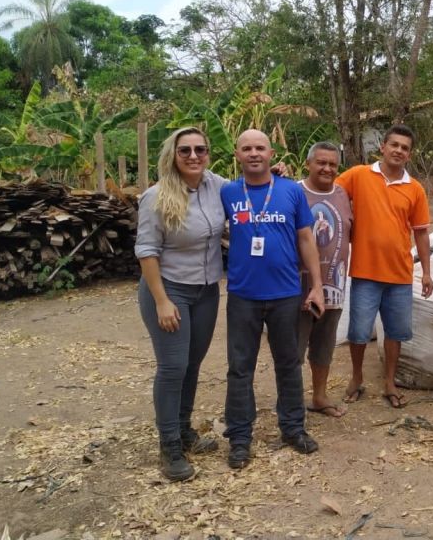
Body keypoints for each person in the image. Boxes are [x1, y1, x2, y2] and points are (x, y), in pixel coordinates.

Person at [220, 129, 326, 469]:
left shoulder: (290, 191)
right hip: (242, 295)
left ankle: (293, 429)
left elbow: (306, 239)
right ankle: (239, 438)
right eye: (246, 148)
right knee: (240, 369)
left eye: (260, 148)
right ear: (237, 155)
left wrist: (317, 286)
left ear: (271, 153)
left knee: (288, 363)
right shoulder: (227, 192)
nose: (254, 153)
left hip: (285, 294)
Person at [135, 126, 225, 481]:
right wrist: (161, 301)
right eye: (185, 150)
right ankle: (169, 444)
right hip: (169, 289)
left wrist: (276, 174)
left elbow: (251, 187)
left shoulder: (216, 186)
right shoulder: (156, 196)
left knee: (192, 363)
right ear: (173, 154)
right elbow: (146, 250)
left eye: (199, 150)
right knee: (173, 366)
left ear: (208, 154)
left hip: (206, 290)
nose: (193, 156)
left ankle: (184, 429)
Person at [336, 124, 433, 409]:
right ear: (383, 147)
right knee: (358, 331)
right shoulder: (358, 176)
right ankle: (356, 378)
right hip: (365, 272)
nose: (398, 151)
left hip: (400, 274)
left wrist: (426, 272)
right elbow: (327, 190)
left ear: (409, 154)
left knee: (396, 332)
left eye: (404, 148)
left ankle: (390, 382)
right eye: (394, 145)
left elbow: (422, 232)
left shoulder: (414, 189)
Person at [297, 141, 353, 418]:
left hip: (333, 285)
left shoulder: (343, 195)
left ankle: (319, 396)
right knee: (293, 346)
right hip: (297, 286)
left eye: (332, 164)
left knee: (324, 343)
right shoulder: (294, 191)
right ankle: (292, 403)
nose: (327, 168)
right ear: (308, 164)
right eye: (321, 162)